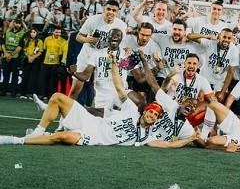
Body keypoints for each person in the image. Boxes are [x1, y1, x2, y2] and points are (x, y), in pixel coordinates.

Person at [0, 54, 169, 147]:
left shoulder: (147, 136)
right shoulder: (132, 110)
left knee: (64, 137)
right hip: (92, 120)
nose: (152, 115)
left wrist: (190, 138)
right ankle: (38, 131)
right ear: (145, 110)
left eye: (155, 115)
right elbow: (119, 87)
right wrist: (113, 65)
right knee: (58, 97)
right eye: (151, 111)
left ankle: (16, 140)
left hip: (94, 136)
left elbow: (166, 144)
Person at [39, 26, 68, 99]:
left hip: (56, 63)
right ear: (53, 32)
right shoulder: (47, 39)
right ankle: (44, 94)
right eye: (56, 32)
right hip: (46, 62)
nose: (58, 34)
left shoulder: (63, 41)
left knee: (53, 81)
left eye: (59, 32)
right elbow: (44, 50)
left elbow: (61, 54)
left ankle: (51, 95)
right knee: (44, 79)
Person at [1, 18, 26, 97]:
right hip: (6, 56)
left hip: (16, 57)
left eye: (19, 24)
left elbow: (20, 46)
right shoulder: (7, 32)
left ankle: (13, 92)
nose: (18, 25)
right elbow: (2, 43)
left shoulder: (22, 33)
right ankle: (3, 91)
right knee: (5, 74)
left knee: (15, 75)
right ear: (14, 24)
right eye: (16, 23)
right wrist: (5, 53)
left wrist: (11, 55)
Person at [20, 27, 44, 97]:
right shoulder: (26, 40)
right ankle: (23, 93)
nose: (32, 34)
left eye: (34, 32)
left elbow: (40, 51)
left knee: (34, 78)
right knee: (25, 77)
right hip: (27, 60)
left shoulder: (39, 41)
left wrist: (33, 57)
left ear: (36, 33)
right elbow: (24, 50)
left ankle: (32, 94)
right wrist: (28, 57)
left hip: (36, 61)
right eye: (31, 32)